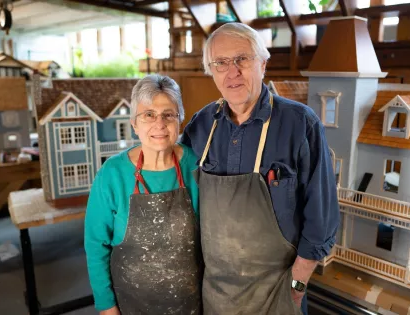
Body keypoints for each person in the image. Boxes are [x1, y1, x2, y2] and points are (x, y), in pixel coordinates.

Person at [181, 22, 340, 315]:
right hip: (216, 297)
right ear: (211, 71)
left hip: (278, 295)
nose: (233, 72)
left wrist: (295, 290)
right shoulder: (201, 126)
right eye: (221, 63)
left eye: (242, 59)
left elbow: (322, 219)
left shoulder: (300, 124)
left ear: (263, 64)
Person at [85, 74, 201, 315]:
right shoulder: (112, 174)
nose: (159, 124)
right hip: (130, 304)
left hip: (190, 303)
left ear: (180, 119)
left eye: (168, 114)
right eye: (148, 115)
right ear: (134, 123)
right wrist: (107, 307)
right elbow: (96, 244)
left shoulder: (196, 166)